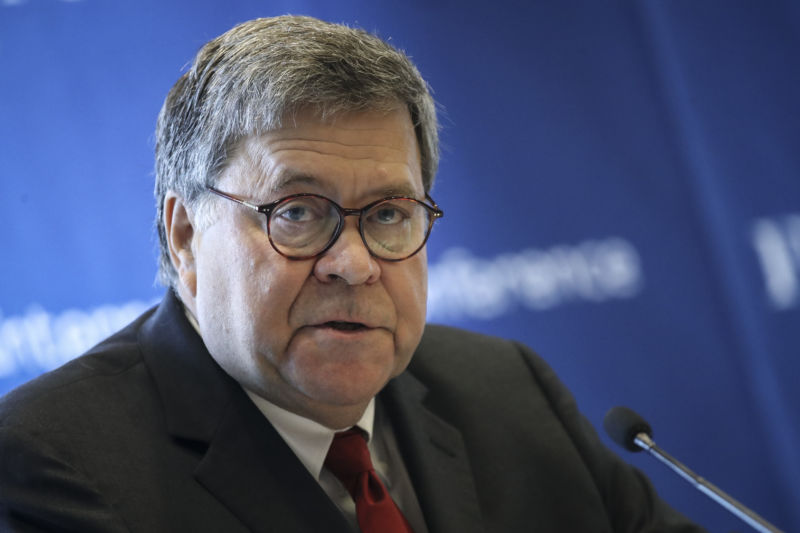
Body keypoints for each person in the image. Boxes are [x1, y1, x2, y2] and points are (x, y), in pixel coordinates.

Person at [0, 15, 705, 532]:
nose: (354, 263)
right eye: (299, 213)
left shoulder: (510, 392)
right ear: (185, 236)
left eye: (390, 213)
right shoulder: (55, 462)